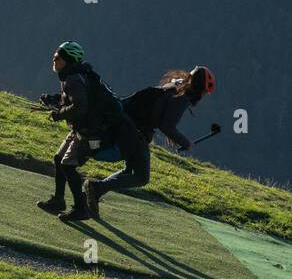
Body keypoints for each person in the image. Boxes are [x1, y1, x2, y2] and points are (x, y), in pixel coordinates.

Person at [84, 66, 216, 217]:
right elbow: (166, 125)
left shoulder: (176, 83)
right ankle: (96, 189)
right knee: (141, 177)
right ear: (199, 88)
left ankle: (91, 194)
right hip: (136, 132)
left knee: (129, 172)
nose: (204, 95)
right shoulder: (183, 97)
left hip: (129, 124)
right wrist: (186, 143)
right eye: (205, 91)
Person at [35, 41, 143, 222]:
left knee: (68, 165)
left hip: (89, 132)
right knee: (58, 159)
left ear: (68, 60)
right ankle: (58, 200)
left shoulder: (74, 79)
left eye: (58, 57)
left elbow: (80, 106)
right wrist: (53, 99)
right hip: (82, 129)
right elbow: (74, 99)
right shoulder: (74, 75)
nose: (54, 59)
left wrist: (58, 115)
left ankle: (80, 209)